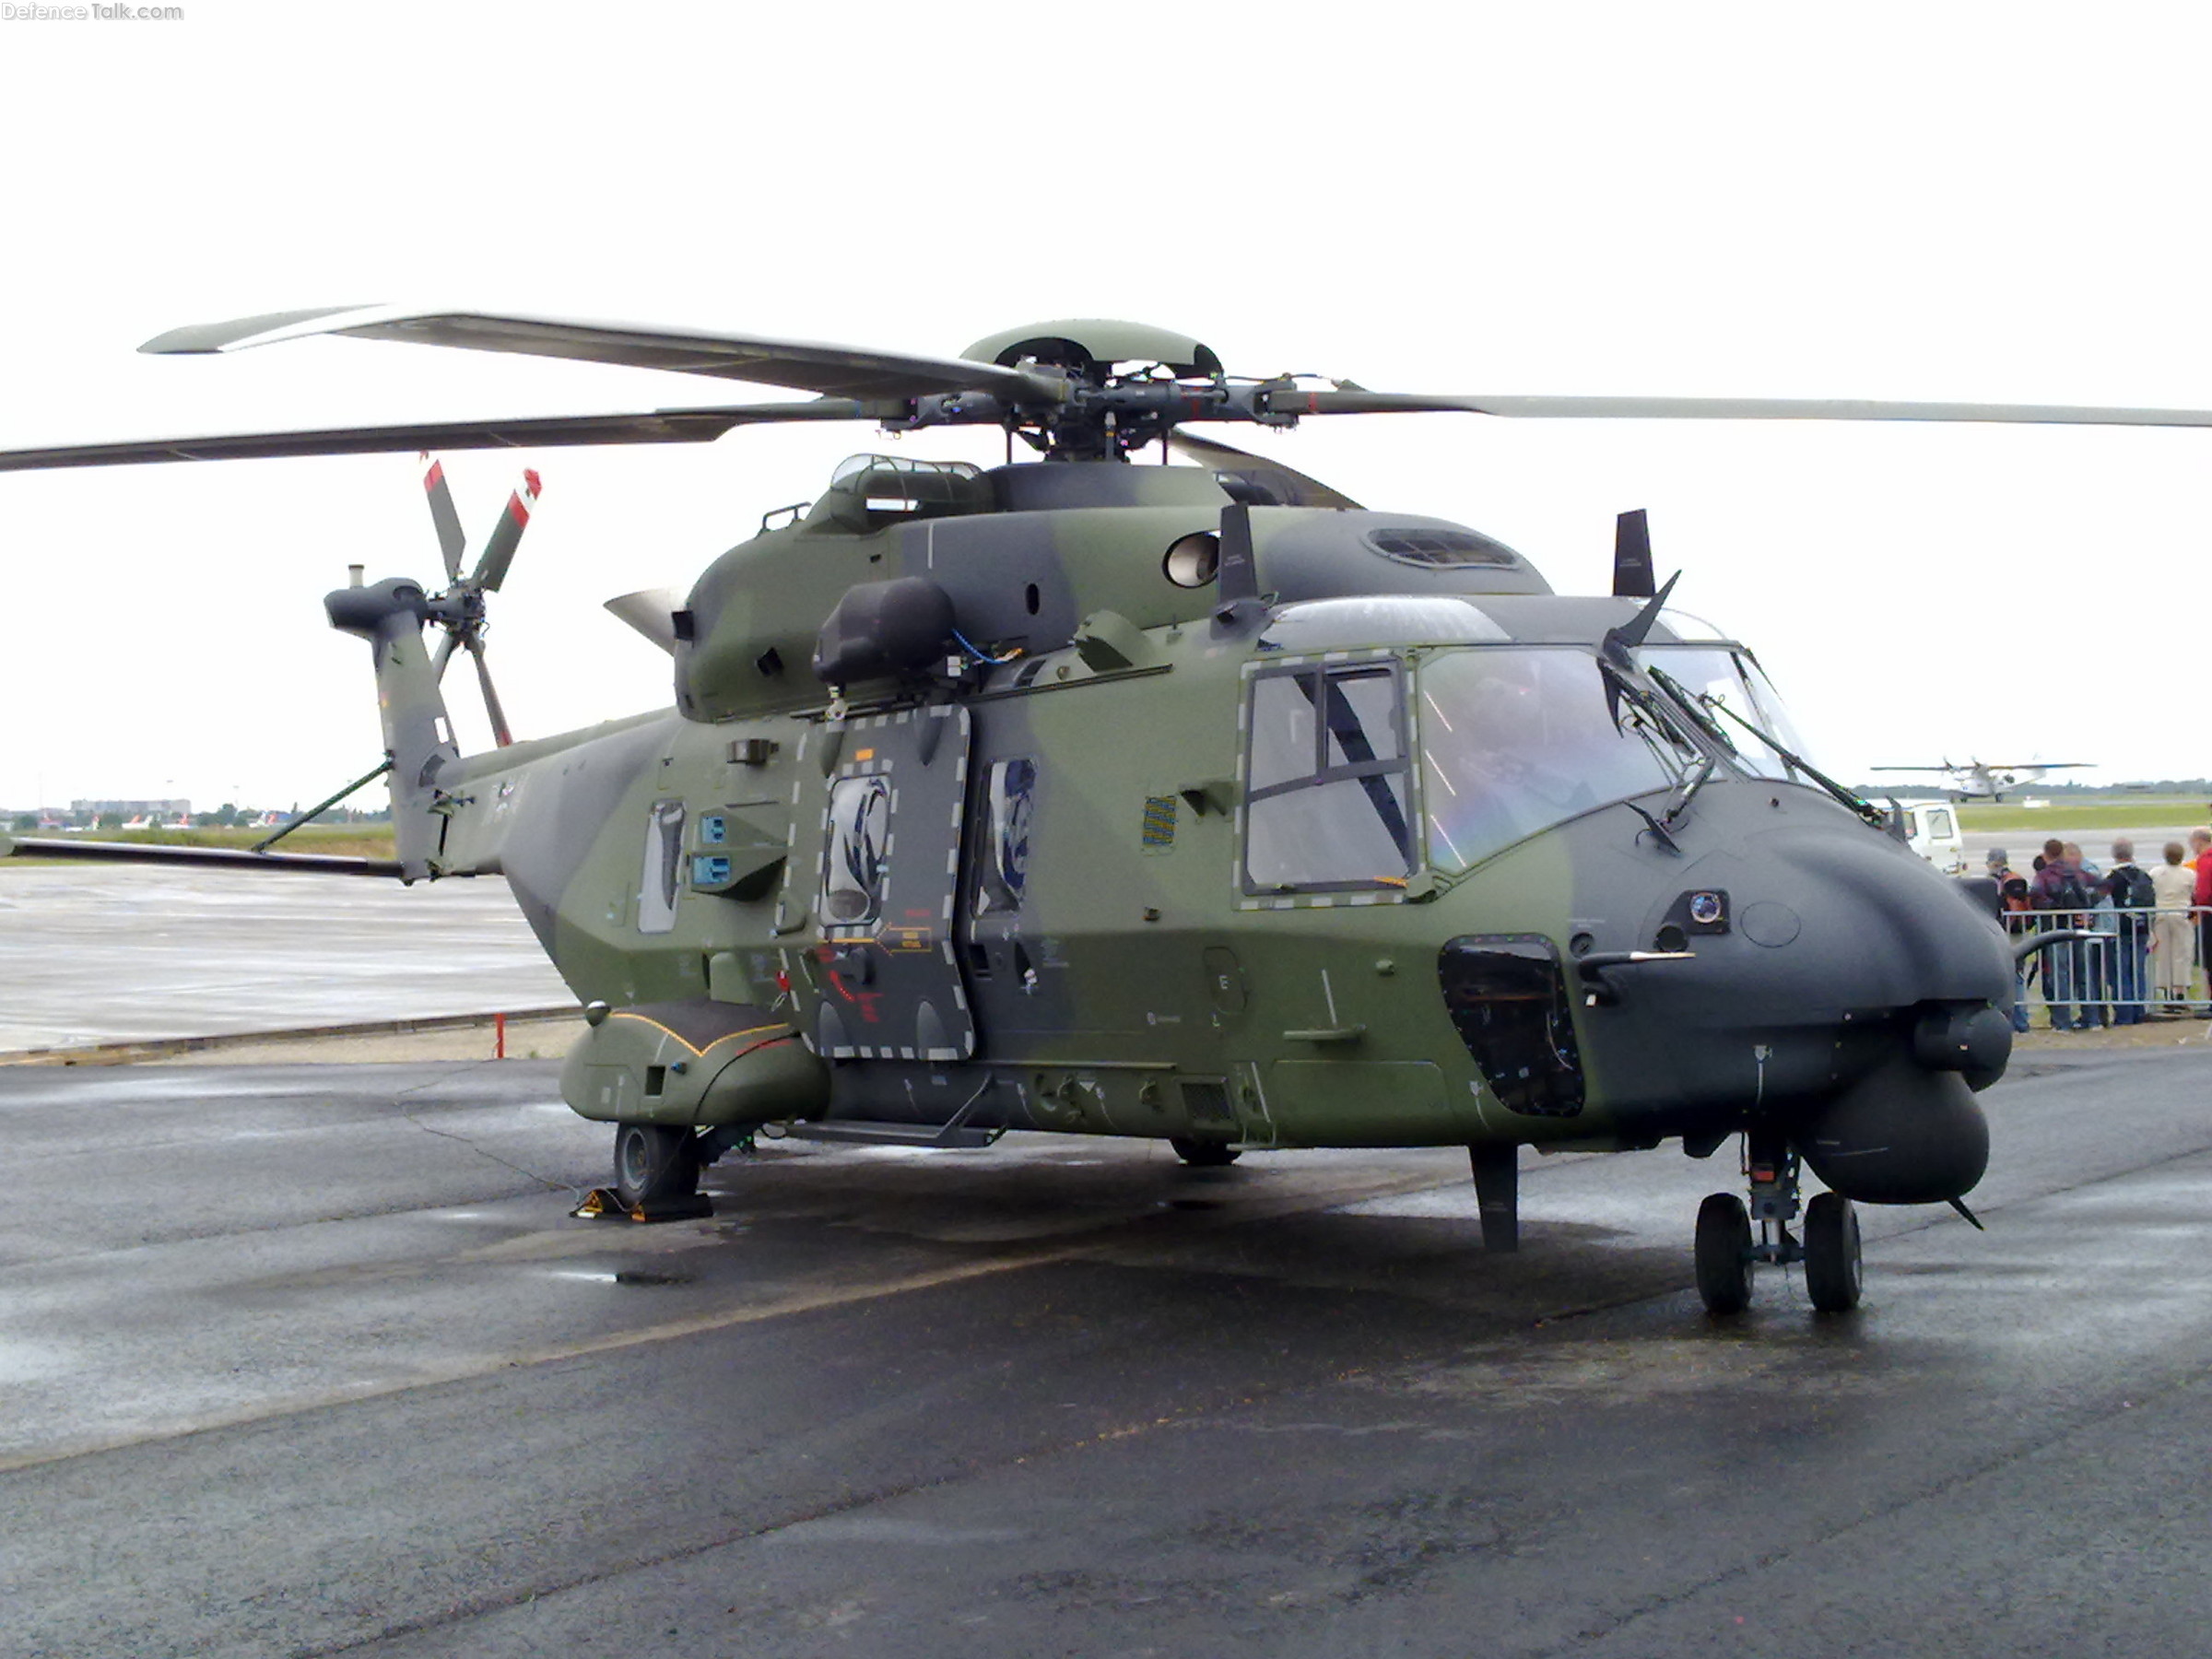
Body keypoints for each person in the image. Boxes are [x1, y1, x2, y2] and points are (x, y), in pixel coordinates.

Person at [2033, 837, 2095, 1030]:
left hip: (2055, 930)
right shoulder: (2075, 874)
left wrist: (2054, 908)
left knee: (2060, 976)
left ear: (2045, 855)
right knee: (2083, 974)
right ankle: (2091, 1018)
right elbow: (2087, 899)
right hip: (2076, 929)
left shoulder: (2043, 876)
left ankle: (2062, 1021)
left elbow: (2036, 899)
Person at [2102, 838, 2154, 1026]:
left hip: (2121, 929)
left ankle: (2124, 1014)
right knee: (2137, 970)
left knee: (2120, 972)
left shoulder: (2113, 879)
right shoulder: (2143, 875)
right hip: (2141, 927)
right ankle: (2139, 1009)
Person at [1989, 846, 2035, 1033]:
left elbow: (2015, 909)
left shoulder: (2008, 881)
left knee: (2013, 977)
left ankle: (2018, 1021)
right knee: (2016, 978)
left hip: (2011, 934)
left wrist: (2005, 926)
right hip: (2017, 933)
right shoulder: (2015, 879)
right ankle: (2018, 1021)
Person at [2152, 841, 2196, 1013]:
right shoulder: (2189, 874)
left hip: (2161, 914)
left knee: (2164, 954)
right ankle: (2179, 991)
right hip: (2181, 914)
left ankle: (2167, 992)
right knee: (2182, 953)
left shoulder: (2156, 873)